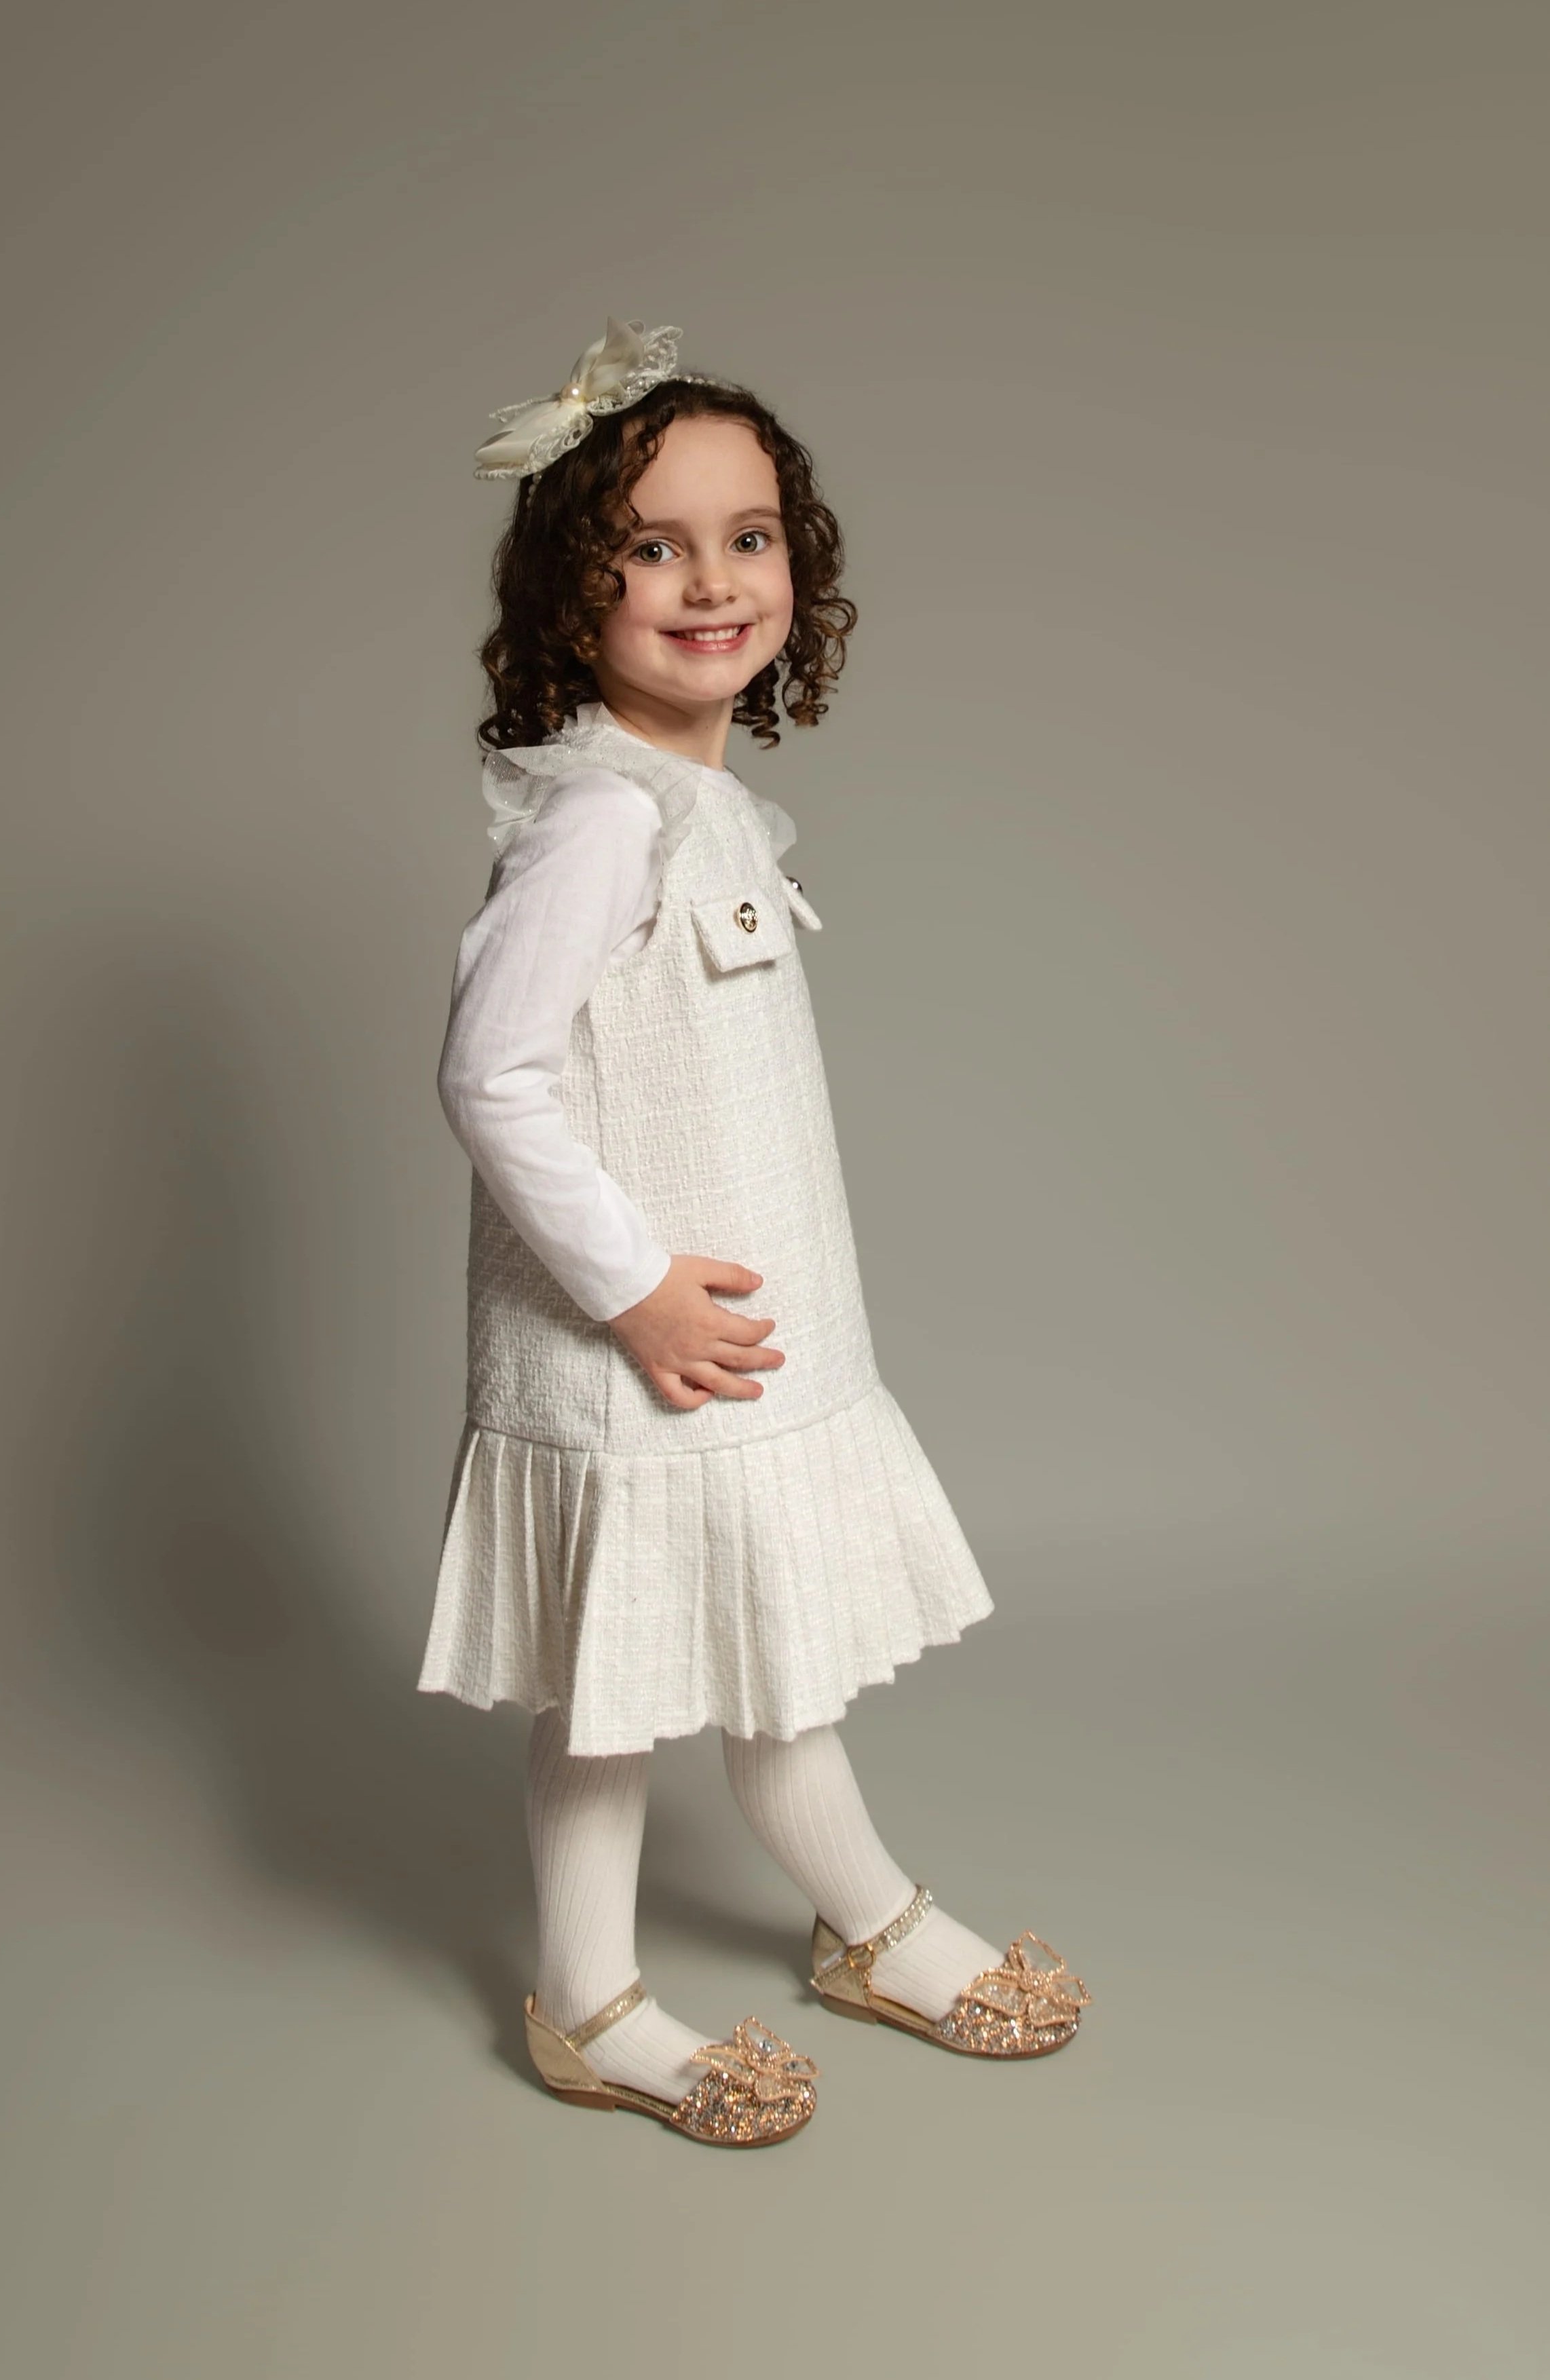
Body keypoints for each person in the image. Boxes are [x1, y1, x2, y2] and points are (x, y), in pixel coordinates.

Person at [419, 318, 1089, 2147]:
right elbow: (492, 1075)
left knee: (698, 1661)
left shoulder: (693, 802)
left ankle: (780, 1939)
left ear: (801, 565)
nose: (708, 579)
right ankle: (660, 1976)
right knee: (620, 1679)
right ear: (570, 588)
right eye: (648, 544)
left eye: (748, 534)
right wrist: (629, 1288)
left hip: (741, 1351)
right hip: (636, 1352)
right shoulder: (593, 824)